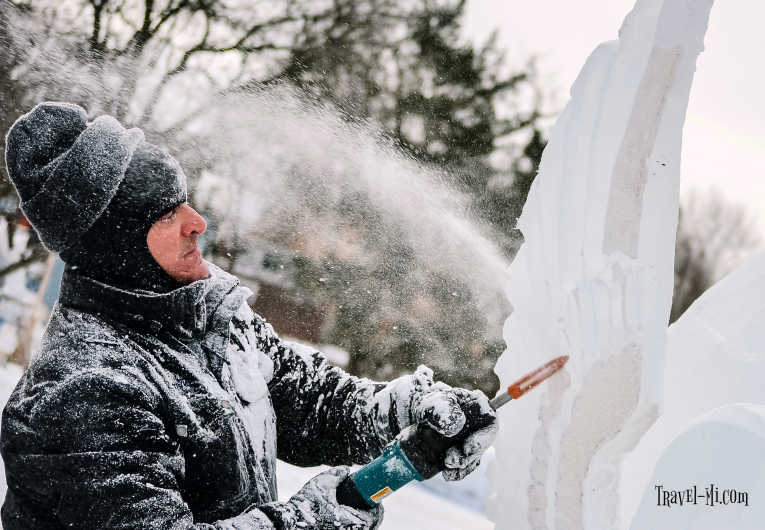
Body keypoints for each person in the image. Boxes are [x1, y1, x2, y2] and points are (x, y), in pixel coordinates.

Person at [0, 102, 498, 529]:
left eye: (185, 203)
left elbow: (310, 403)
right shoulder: (82, 394)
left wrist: (405, 410)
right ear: (119, 246)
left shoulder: (209, 319)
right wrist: (323, 514)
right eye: (166, 215)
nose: (198, 223)